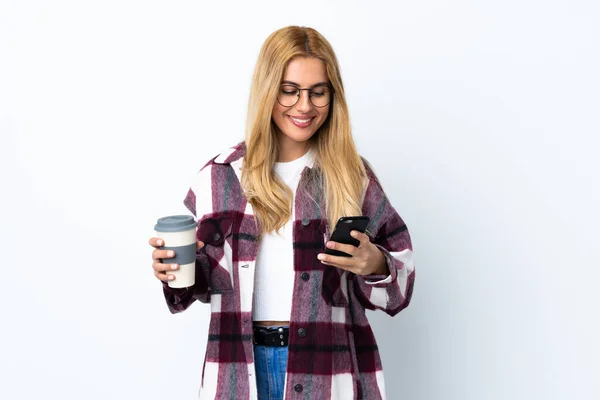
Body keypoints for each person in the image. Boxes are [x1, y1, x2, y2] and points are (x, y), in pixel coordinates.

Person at [149, 25, 415, 400]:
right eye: (289, 91)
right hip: (240, 370)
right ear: (267, 91)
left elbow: (400, 291)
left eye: (318, 92)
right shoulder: (220, 177)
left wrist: (376, 264)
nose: (304, 106)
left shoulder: (354, 178)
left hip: (329, 370)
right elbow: (203, 285)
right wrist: (173, 270)